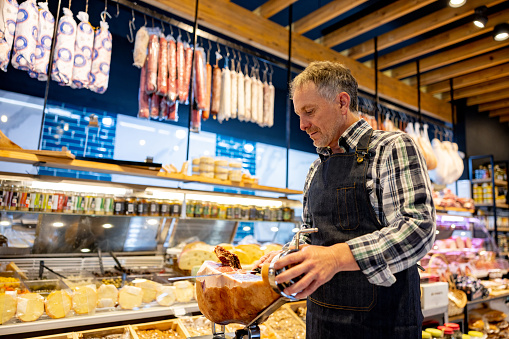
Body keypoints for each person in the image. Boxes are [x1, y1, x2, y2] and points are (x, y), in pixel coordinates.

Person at [254, 61, 436, 338]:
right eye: (298, 115)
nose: (302, 125)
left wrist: (337, 257)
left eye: (309, 111)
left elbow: (417, 229)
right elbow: (312, 238)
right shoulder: (317, 168)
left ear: (342, 102)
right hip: (321, 323)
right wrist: (284, 257)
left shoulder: (392, 147)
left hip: (383, 326)